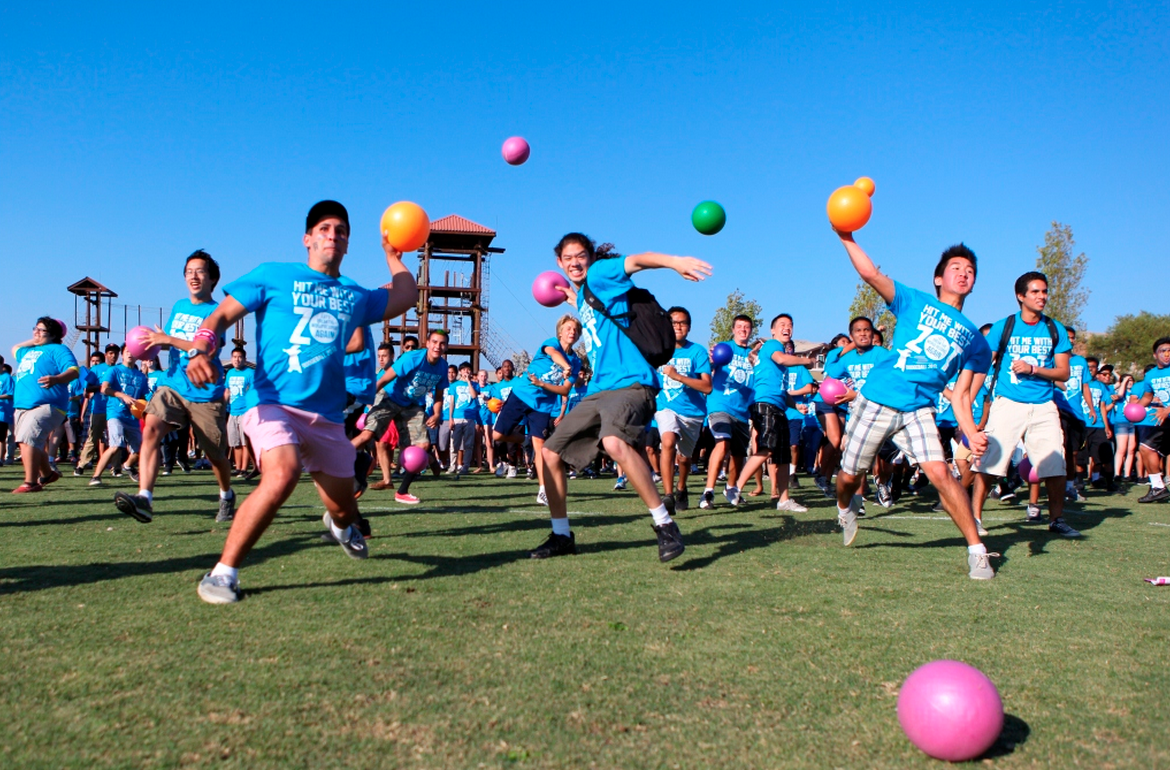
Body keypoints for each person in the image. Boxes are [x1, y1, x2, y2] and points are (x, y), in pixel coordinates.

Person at [188, 200, 418, 603]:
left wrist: (392, 256)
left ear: (347, 244)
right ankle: (222, 574)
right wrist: (202, 348)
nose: (333, 235)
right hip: (272, 403)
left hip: (326, 419)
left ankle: (340, 525)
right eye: (325, 228)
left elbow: (404, 297)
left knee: (346, 511)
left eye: (341, 231)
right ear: (308, 238)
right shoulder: (273, 276)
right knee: (282, 473)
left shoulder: (354, 295)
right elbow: (221, 316)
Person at [535, 233, 711, 562]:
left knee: (615, 442)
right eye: (568, 258)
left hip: (632, 385)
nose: (575, 262)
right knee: (550, 453)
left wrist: (673, 262)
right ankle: (561, 536)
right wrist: (574, 300)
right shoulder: (587, 296)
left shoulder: (601, 275)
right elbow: (599, 316)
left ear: (590, 257)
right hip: (600, 390)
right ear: (559, 263)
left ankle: (665, 525)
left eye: (581, 255)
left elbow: (636, 260)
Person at [832, 233, 994, 580]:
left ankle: (977, 551)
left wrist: (971, 432)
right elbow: (871, 275)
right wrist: (846, 237)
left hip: (920, 409)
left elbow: (962, 394)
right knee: (848, 477)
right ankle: (845, 508)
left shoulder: (977, 342)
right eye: (956, 267)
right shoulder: (914, 301)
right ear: (939, 278)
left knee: (941, 473)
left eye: (970, 270)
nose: (964, 274)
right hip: (879, 398)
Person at [112, 250, 236, 524]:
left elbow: (205, 347)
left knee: (216, 457)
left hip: (205, 392)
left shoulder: (218, 312)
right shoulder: (180, 305)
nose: (193, 276)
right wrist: (150, 345)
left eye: (200, 271)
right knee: (152, 430)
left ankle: (226, 495)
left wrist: (166, 338)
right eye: (189, 271)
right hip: (173, 385)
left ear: (212, 278)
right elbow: (166, 342)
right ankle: (144, 498)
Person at [971, 272, 1080, 538]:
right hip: (1008, 403)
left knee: (1055, 464)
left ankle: (1056, 520)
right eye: (1035, 292)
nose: (1042, 297)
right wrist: (968, 397)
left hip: (1044, 405)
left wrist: (1034, 368)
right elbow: (982, 365)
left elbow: (1064, 373)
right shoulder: (1004, 326)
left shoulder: (1055, 329)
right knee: (990, 463)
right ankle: (974, 518)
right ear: (1021, 296)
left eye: (1044, 292)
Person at [725, 314, 816, 511]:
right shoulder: (773, 346)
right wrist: (805, 360)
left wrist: (796, 406)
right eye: (782, 324)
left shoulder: (778, 354)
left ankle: (784, 500)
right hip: (765, 405)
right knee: (767, 448)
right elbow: (782, 359)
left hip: (778, 406)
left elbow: (781, 390)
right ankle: (735, 487)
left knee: (782, 457)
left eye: (790, 325)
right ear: (772, 330)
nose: (787, 328)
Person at [492, 315, 582, 505]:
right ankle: (525, 439)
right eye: (568, 328)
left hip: (542, 405)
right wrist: (564, 366)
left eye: (575, 329)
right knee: (497, 436)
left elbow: (565, 389)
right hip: (521, 394)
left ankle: (543, 490)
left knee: (540, 447)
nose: (572, 331)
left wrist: (542, 384)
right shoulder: (551, 344)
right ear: (560, 332)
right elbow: (553, 353)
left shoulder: (576, 362)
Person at [357, 329, 449, 505]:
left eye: (442, 343)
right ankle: (333, 465)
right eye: (435, 342)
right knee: (368, 435)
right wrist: (368, 399)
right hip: (389, 397)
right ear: (428, 343)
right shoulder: (412, 358)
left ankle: (402, 491)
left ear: (446, 347)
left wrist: (437, 414)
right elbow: (384, 380)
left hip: (411, 405)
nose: (438, 346)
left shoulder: (443, 367)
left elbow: (439, 396)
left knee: (423, 445)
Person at [10, 318, 79, 492]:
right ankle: (47, 474)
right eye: (35, 329)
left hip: (47, 404)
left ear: (54, 335)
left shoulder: (59, 349)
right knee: (26, 442)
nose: (36, 332)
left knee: (28, 440)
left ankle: (31, 483)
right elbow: (15, 348)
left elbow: (73, 371)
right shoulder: (29, 351)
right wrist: (35, 339)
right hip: (23, 406)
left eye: (41, 330)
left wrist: (57, 379)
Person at [654, 306, 712, 512]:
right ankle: (668, 495)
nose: (678, 326)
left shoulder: (697, 351)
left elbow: (707, 386)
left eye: (683, 323)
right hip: (665, 407)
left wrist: (678, 376)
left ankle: (681, 488)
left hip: (692, 412)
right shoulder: (657, 350)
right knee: (667, 442)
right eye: (673, 322)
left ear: (689, 327)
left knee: (685, 458)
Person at [699, 315, 757, 509]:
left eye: (747, 327)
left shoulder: (754, 355)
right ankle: (708, 492)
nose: (743, 330)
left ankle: (731, 489)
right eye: (739, 326)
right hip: (720, 405)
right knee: (722, 444)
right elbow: (709, 367)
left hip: (742, 411)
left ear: (751, 331)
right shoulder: (724, 348)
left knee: (739, 454)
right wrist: (711, 359)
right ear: (733, 330)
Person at [88, 344, 148, 484]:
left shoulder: (140, 376)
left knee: (140, 450)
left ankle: (127, 466)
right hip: (115, 413)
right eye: (127, 351)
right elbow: (104, 389)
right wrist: (122, 395)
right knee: (115, 445)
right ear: (122, 354)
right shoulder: (114, 370)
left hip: (132, 417)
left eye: (133, 351)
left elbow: (146, 396)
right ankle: (96, 476)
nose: (130, 354)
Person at [1134, 337, 1170, 503]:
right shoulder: (1151, 375)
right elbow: (1147, 397)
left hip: (1166, 415)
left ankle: (1158, 487)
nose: (1167, 354)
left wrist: (1167, 410)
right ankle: (1158, 487)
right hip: (1165, 421)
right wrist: (1135, 409)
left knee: (1146, 448)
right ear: (1155, 354)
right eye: (1163, 351)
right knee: (1146, 448)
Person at [75, 344, 118, 475]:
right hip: (98, 408)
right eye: (110, 353)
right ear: (106, 355)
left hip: (114, 409)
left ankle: (115, 467)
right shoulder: (97, 369)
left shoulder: (119, 369)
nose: (113, 355)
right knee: (93, 438)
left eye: (115, 353)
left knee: (114, 439)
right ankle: (81, 465)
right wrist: (103, 387)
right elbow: (87, 389)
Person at [224, 347, 255, 477]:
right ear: (231, 358)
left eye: (240, 357)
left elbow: (253, 392)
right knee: (234, 442)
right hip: (232, 411)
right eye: (235, 357)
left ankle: (244, 469)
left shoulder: (250, 373)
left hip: (245, 411)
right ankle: (238, 468)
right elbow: (227, 390)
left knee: (245, 442)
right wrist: (223, 405)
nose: (237, 359)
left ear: (244, 359)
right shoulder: (230, 373)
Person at [448, 362, 481, 477]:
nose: (466, 372)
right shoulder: (454, 385)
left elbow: (473, 396)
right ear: (460, 372)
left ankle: (465, 466)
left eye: (468, 370)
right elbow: (451, 402)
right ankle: (453, 466)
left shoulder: (475, 385)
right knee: (454, 443)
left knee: (468, 444)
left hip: (470, 418)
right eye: (464, 370)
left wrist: (468, 382)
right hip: (457, 417)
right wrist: (450, 418)